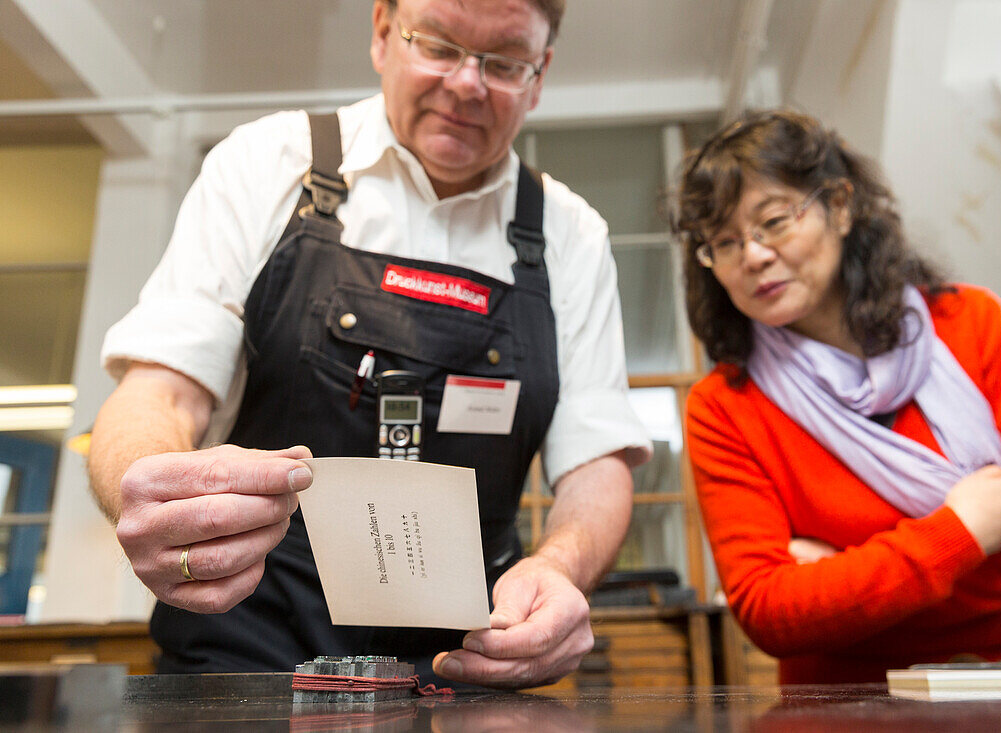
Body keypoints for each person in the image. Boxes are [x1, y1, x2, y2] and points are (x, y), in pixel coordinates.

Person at [87, 0, 651, 689]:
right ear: (383, 33)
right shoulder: (266, 165)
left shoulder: (572, 235)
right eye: (439, 45)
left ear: (539, 75)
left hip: (468, 668)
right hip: (245, 657)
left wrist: (559, 566)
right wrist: (145, 486)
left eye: (503, 62)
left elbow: (597, 464)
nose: (468, 83)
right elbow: (159, 391)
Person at [674, 109, 1001, 684]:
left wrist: (852, 590)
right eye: (722, 243)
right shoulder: (723, 407)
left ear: (841, 207)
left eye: (773, 221)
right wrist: (964, 533)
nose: (752, 256)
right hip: (845, 708)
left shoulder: (972, 324)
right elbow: (771, 612)